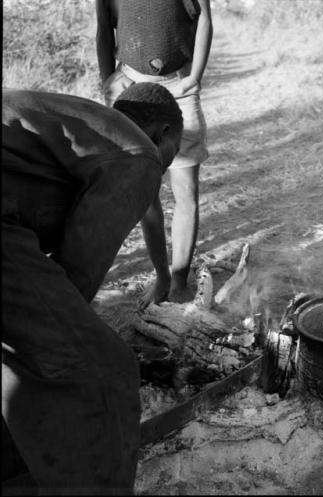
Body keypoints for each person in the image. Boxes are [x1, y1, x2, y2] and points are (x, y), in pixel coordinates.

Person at [1, 83, 182, 495]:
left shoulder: (90, 129)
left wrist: (162, 276)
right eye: (169, 154)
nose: (164, 168)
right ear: (165, 134)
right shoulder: (140, 155)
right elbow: (80, 264)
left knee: (22, 357)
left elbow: (146, 214)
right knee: (103, 373)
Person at [96, 0, 213, 307]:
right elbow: (104, 30)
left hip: (180, 85)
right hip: (131, 87)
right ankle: (162, 277)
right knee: (146, 191)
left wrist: (195, 76)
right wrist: (107, 77)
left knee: (186, 189)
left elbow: (203, 20)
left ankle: (179, 281)